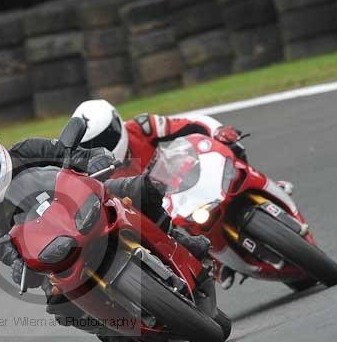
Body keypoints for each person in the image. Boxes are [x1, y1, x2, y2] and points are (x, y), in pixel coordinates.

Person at [0, 127, 211, 342]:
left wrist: (96, 158)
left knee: (142, 190)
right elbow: (4, 248)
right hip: (52, 246)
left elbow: (69, 154)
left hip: (80, 204)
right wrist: (17, 263)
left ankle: (180, 241)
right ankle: (111, 331)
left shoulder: (27, 150)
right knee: (57, 302)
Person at [71, 99, 294, 290]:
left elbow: (194, 123)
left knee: (232, 148)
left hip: (186, 176)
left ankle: (264, 183)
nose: (102, 147)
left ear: (116, 123)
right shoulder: (94, 172)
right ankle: (214, 262)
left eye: (105, 138)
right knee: (166, 240)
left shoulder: (142, 127)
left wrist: (218, 131)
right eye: (91, 145)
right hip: (159, 209)